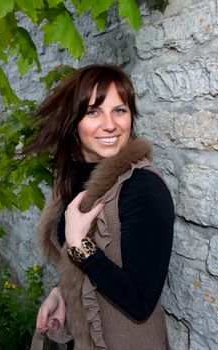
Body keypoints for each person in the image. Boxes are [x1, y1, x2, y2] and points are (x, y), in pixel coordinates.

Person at [26, 64, 175, 350]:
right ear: (73, 121)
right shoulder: (70, 183)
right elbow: (87, 271)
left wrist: (81, 245)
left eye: (120, 110)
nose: (110, 124)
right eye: (94, 111)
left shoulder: (143, 189)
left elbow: (140, 302)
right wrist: (62, 292)